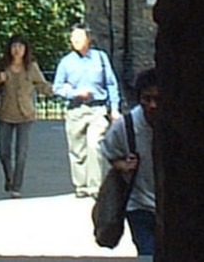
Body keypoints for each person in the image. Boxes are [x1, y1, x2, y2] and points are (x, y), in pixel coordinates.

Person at [52, 23, 120, 198]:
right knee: (77, 150)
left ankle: (95, 187)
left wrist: (115, 108)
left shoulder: (100, 58)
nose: (76, 41)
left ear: (88, 39)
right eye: (73, 38)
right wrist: (75, 93)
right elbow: (57, 88)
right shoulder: (66, 62)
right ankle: (81, 185)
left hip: (97, 109)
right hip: (76, 109)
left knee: (94, 144)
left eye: (79, 37)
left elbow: (111, 83)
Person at [100, 66, 161, 257]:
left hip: (171, 205)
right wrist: (122, 165)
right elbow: (108, 151)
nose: (152, 105)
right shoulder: (125, 126)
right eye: (146, 99)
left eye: (158, 99)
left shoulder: (178, 124)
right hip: (139, 204)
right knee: (147, 252)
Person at [0, 34, 54, 197]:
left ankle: (17, 186)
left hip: (25, 114)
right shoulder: (2, 65)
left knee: (21, 153)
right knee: (3, 151)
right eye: (14, 46)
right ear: (9, 49)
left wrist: (58, 89)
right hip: (5, 113)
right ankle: (9, 177)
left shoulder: (31, 67)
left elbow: (42, 85)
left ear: (25, 50)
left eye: (21, 47)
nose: (17, 50)